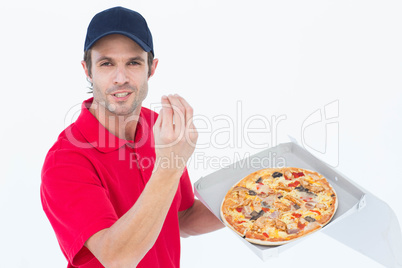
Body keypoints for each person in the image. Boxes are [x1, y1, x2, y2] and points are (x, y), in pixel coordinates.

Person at [40, 6, 223, 268]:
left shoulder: (158, 127)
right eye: (106, 63)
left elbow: (181, 217)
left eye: (133, 62)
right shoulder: (66, 161)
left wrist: (258, 201)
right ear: (87, 70)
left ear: (151, 67)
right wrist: (168, 166)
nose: (121, 77)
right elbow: (117, 258)